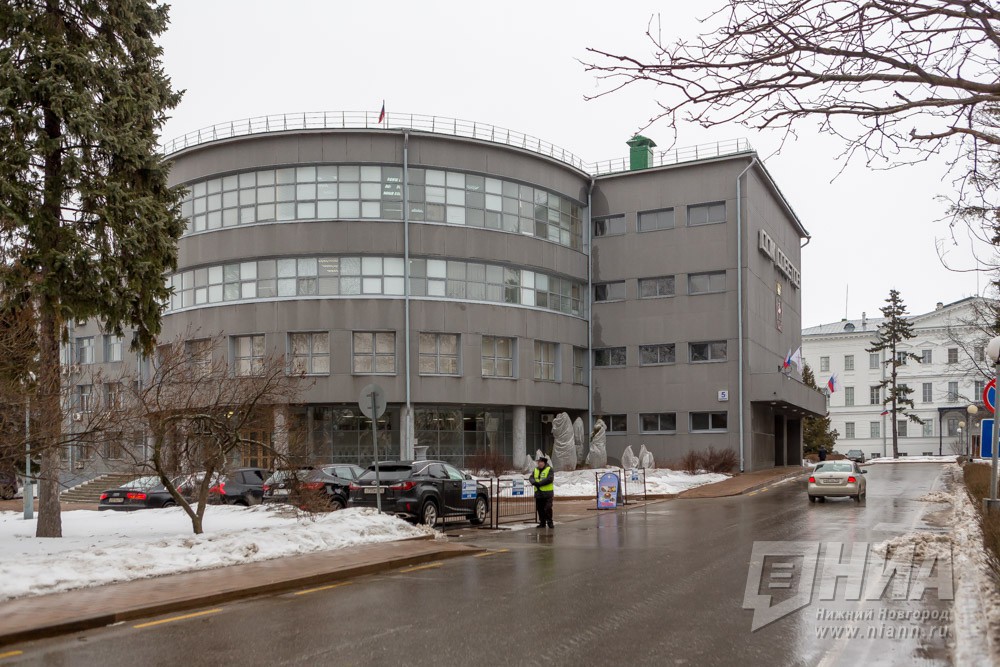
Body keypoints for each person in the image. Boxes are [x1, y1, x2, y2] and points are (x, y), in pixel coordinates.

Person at [530, 455, 555, 529]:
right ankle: (542, 523)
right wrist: (533, 482)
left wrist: (539, 483)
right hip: (538, 493)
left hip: (547, 493)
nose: (539, 464)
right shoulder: (536, 469)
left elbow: (550, 479)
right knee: (540, 509)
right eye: (538, 462)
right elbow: (531, 477)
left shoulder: (549, 469)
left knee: (547, 508)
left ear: (544, 463)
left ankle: (550, 522)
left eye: (541, 462)